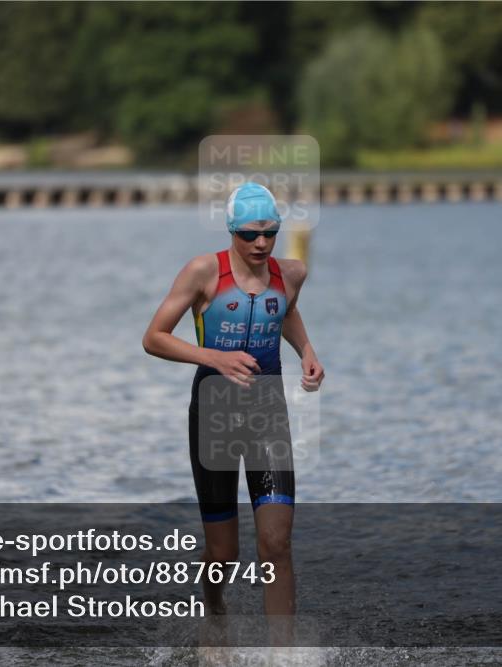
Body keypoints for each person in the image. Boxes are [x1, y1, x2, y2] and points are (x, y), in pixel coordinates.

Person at [142, 181, 324, 628]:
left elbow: (286, 310)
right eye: (249, 235)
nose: (261, 243)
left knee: (276, 543)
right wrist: (213, 356)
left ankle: (283, 656)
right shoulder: (204, 272)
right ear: (231, 231)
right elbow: (154, 338)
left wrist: (307, 352)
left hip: (267, 415)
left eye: (270, 233)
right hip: (214, 417)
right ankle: (214, 609)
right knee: (224, 553)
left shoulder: (292, 273)